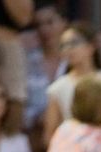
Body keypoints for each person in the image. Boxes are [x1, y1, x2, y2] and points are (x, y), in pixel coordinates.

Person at [41, 21, 101, 146]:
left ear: (91, 46)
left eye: (74, 43)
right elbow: (50, 134)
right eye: (64, 45)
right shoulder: (58, 88)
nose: (68, 49)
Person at [24, 2, 67, 130]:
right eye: (38, 25)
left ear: (64, 23)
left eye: (50, 22)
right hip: (35, 131)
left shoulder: (73, 59)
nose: (44, 30)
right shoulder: (26, 62)